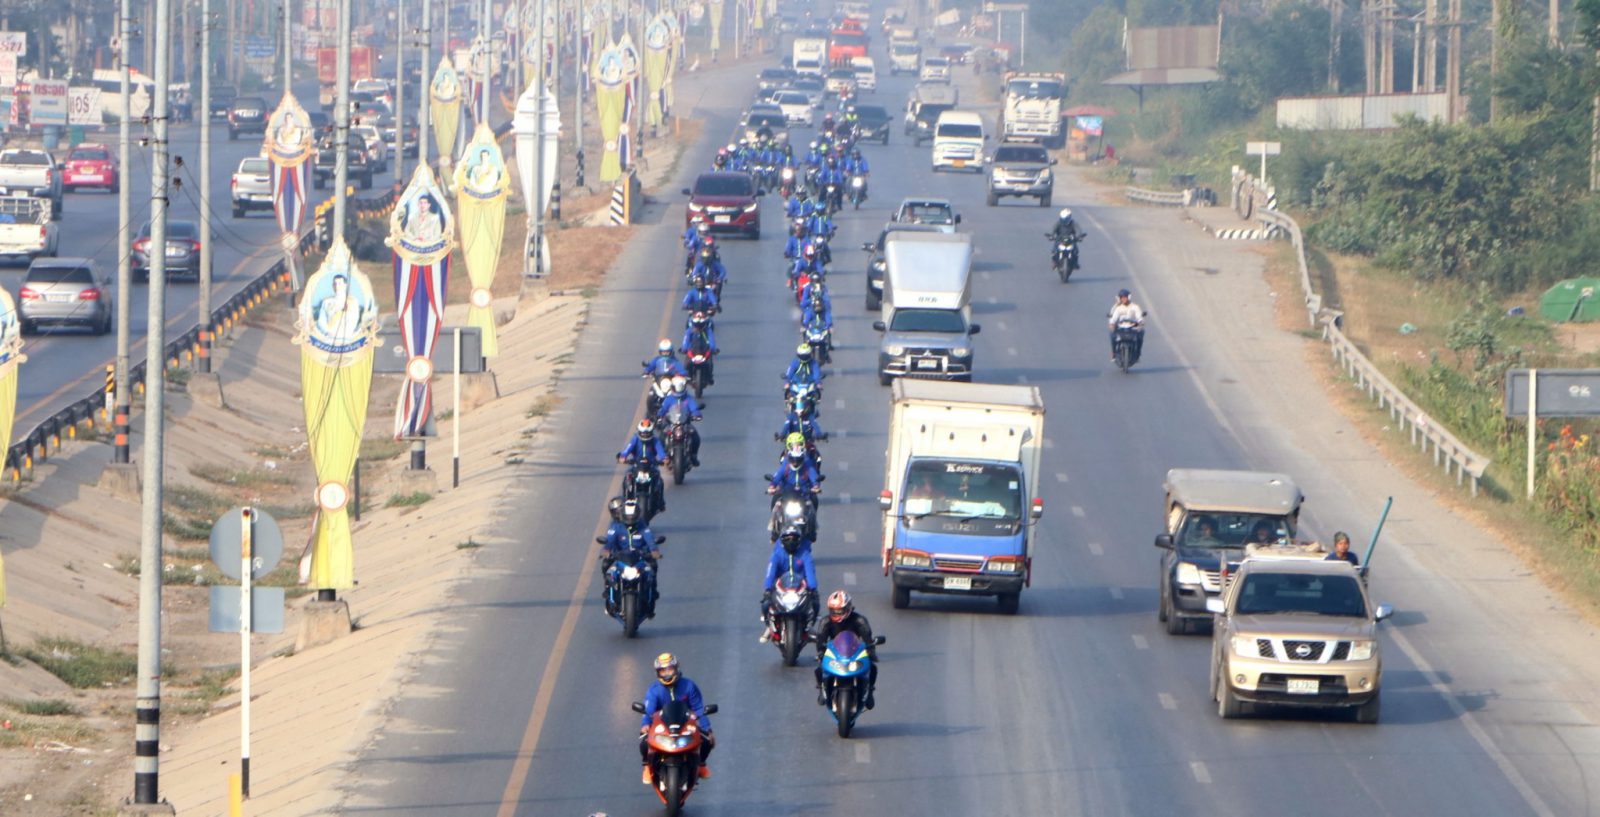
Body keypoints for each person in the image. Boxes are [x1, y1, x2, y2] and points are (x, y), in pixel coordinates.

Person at [638, 653, 714, 782]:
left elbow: (698, 708)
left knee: (707, 741)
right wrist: (645, 724)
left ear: (676, 668)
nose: (667, 673)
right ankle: (647, 767)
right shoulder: (654, 690)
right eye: (662, 671)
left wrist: (707, 728)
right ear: (658, 673)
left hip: (686, 724)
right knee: (644, 742)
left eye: (670, 669)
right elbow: (648, 710)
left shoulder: (689, 686)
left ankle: (701, 764)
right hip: (662, 725)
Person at [812, 590, 878, 710]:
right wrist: (821, 652)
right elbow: (821, 641)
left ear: (848, 608)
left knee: (872, 666)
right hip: (835, 652)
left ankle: (870, 691)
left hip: (854, 651)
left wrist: (871, 651)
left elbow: (868, 640)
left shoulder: (860, 621)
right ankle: (822, 689)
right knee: (819, 667)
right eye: (833, 611)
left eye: (839, 611)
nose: (836, 614)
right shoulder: (825, 622)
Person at [601, 497, 661, 615]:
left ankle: (653, 592)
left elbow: (649, 538)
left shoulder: (642, 526)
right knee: (605, 565)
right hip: (620, 557)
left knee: (653, 567)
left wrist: (654, 551)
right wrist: (607, 550)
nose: (630, 519)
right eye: (627, 517)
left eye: (632, 516)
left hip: (640, 557)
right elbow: (610, 540)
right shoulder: (616, 526)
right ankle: (608, 592)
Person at [760, 525, 819, 641]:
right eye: (788, 538)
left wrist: (813, 588)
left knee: (815, 603)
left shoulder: (805, 554)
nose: (791, 541)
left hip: (800, 587)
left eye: (794, 538)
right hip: (781, 586)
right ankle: (769, 627)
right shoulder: (777, 555)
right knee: (766, 604)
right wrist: (768, 588)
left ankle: (809, 626)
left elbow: (810, 572)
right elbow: (770, 572)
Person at [656, 375, 704, 467]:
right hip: (671, 423)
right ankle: (663, 456)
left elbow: (694, 409)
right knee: (661, 437)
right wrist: (660, 415)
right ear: (673, 387)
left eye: (680, 387)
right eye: (677, 387)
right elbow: (663, 409)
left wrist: (697, 415)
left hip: (685, 424)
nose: (678, 389)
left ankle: (694, 456)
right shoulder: (669, 398)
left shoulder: (688, 399)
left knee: (696, 437)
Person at [314, 273, 368, 341]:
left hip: (345, 338)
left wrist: (340, 335)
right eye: (335, 284)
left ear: (345, 285)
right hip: (328, 338)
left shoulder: (353, 302)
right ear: (332, 286)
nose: (337, 286)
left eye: (339, 283)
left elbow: (353, 321)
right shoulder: (326, 302)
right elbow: (321, 321)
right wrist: (327, 332)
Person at [1106, 288, 1146, 365]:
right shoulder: (1118, 308)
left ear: (1129, 297)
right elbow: (1114, 318)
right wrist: (1112, 324)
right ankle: (1113, 353)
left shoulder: (1135, 307)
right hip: (1121, 328)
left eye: (1125, 297)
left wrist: (1140, 322)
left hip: (1133, 327)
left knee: (1141, 333)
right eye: (1122, 297)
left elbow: (1139, 317)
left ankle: (1138, 354)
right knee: (1112, 335)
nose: (1124, 299)